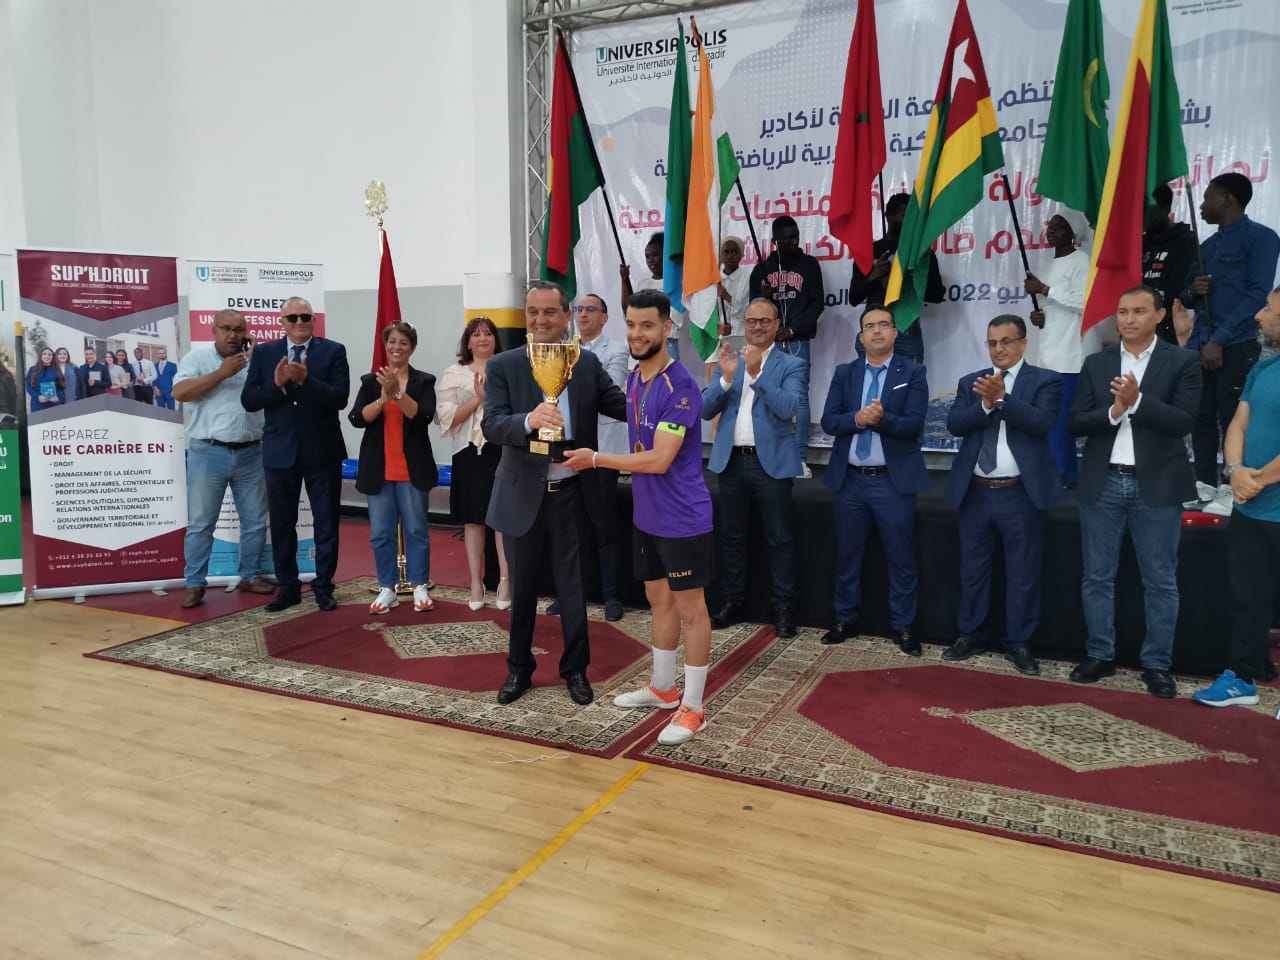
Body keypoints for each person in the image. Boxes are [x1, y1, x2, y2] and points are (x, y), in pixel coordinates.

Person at [562, 288, 716, 746]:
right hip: (647, 514)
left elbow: (659, 459)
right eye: (630, 324)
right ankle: (663, 688)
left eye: (647, 325)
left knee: (692, 611)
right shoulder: (633, 380)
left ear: (667, 329)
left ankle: (693, 708)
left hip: (683, 517)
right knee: (658, 599)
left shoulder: (680, 385)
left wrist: (595, 459)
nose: (637, 333)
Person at [481, 281, 627, 706]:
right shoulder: (504, 365)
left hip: (571, 494)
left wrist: (671, 390)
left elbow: (622, 404)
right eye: (532, 312)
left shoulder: (585, 363)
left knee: (572, 591)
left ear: (567, 316)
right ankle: (518, 670)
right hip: (522, 495)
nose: (540, 320)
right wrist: (529, 420)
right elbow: (492, 424)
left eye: (549, 312)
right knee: (522, 591)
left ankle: (576, 672)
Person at [1068, 286, 1201, 698]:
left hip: (1156, 485)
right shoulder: (1097, 362)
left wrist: (1138, 401)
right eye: (1122, 311)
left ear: (1159, 315)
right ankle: (1099, 654)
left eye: (1139, 311)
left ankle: (1157, 663)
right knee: (1096, 576)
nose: (1128, 319)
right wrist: (1114, 411)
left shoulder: (1182, 361)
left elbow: (1183, 421)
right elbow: (1077, 422)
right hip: (1103, 480)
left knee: (1160, 580)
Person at [941, 315, 1063, 675]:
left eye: (1007, 341)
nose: (999, 349)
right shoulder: (972, 383)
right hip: (976, 493)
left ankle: (1020, 643)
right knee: (972, 571)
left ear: (1024, 343)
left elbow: (1042, 422)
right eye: (992, 343)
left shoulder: (1045, 380)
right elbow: (954, 425)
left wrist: (1003, 400)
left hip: (1020, 494)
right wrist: (983, 404)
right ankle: (970, 634)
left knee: (1023, 573)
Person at [819, 306, 929, 654]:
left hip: (891, 483)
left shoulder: (912, 372)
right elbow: (830, 422)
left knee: (902, 558)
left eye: (884, 325)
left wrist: (880, 420)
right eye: (869, 326)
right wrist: (859, 418)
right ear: (861, 336)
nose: (877, 331)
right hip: (850, 481)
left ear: (895, 333)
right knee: (847, 556)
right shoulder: (845, 373)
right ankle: (844, 618)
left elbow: (913, 424)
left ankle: (903, 626)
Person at [1193, 288, 1280, 707]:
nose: (1259, 316)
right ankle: (1243, 677)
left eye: (1268, 308)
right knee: (1248, 596)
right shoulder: (1263, 369)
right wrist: (1235, 471)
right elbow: (1238, 425)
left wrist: (1258, 478)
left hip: (1266, 497)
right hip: (1251, 506)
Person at [702, 297, 804, 637]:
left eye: (764, 321)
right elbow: (704, 409)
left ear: (777, 325)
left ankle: (784, 608)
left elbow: (788, 406)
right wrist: (726, 380)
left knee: (780, 539)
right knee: (731, 538)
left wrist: (758, 374)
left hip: (770, 463)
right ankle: (733, 603)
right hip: (731, 461)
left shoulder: (792, 363)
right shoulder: (729, 360)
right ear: (744, 325)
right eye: (751, 321)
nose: (757, 327)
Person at [1179, 172, 1280, 516]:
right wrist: (1194, 291)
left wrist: (1219, 339)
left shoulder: (1262, 238)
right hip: (1199, 343)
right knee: (1200, 416)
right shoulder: (1206, 247)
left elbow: (1257, 294)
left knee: (1231, 414)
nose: (1203, 205)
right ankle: (1203, 482)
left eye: (1208, 197)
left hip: (1235, 343)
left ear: (1229, 199)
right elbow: (1184, 295)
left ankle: (1227, 486)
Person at [241, 297, 350, 613]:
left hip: (323, 450)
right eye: (293, 318)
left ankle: (323, 587)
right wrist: (276, 385)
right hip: (280, 452)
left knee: (326, 523)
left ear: (314, 320)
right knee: (282, 523)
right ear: (282, 321)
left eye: (305, 317)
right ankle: (288, 587)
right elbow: (250, 400)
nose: (300, 323)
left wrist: (305, 380)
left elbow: (339, 398)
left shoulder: (333, 351)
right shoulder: (264, 354)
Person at [171, 309, 274, 608]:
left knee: (255, 522)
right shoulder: (196, 359)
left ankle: (250, 575)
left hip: (252, 452)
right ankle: (194, 583)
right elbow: (181, 393)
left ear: (246, 332)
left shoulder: (256, 361)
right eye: (226, 328)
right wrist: (222, 373)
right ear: (213, 331)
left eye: (238, 329)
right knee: (201, 523)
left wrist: (255, 360)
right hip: (208, 451)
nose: (232, 335)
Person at [348, 321, 437, 616]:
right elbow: (357, 419)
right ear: (385, 346)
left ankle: (420, 585)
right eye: (392, 342)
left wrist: (398, 393)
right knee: (381, 533)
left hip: (411, 470)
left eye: (403, 343)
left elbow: (422, 417)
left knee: (416, 529)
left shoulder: (424, 381)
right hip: (379, 470)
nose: (397, 347)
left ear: (412, 348)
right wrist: (384, 397)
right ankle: (387, 588)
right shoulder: (369, 381)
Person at [435, 316, 511, 611]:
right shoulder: (454, 373)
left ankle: (505, 579)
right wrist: (479, 399)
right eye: (476, 334)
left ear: (495, 339)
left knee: (503, 519)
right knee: (474, 520)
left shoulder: (506, 369)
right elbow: (446, 419)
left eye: (488, 333)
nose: (483, 338)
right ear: (468, 341)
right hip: (468, 453)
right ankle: (475, 581)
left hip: (502, 450)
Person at [1023, 209, 1101, 487]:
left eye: (1059, 226)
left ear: (1073, 233)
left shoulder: (1082, 261)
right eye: (1050, 225)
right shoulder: (1048, 263)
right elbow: (1053, 308)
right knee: (1048, 418)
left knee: (1060, 420)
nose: (1051, 230)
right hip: (1047, 353)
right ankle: (1051, 473)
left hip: (1070, 355)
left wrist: (1044, 290)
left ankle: (1063, 476)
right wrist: (1039, 316)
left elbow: (1084, 303)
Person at [749, 215, 825, 477]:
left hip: (797, 341)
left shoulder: (809, 265)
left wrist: (792, 329)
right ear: (774, 241)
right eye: (786, 238)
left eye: (795, 236)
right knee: (765, 398)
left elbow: (817, 303)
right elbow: (752, 308)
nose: (792, 242)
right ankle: (768, 456)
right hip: (767, 346)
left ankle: (799, 458)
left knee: (799, 400)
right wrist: (763, 297)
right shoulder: (762, 269)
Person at [572, 293, 629, 622]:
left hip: (602, 451)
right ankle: (574, 594)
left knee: (604, 526)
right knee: (574, 528)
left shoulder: (617, 350)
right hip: (569, 451)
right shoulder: (565, 349)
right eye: (579, 309)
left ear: (605, 318)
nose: (583, 315)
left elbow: (608, 389)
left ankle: (611, 595)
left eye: (590, 309)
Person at [848, 192, 944, 363]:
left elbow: (937, 295)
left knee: (908, 389)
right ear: (889, 216)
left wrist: (913, 278)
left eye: (913, 218)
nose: (909, 222)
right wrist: (874, 276)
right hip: (874, 331)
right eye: (904, 216)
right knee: (871, 389)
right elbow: (854, 298)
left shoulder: (922, 255)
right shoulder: (869, 252)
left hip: (907, 331)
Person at [1142, 184, 1199, 345]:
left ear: (1166, 209)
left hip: (1169, 329)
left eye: (1149, 214)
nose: (1144, 220)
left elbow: (1179, 289)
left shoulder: (1186, 241)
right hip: (1139, 326)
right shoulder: (1140, 243)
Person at [620, 231, 687, 361]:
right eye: (647, 256)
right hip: (641, 344)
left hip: (666, 344)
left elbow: (675, 318)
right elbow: (627, 310)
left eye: (656, 255)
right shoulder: (641, 284)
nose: (651, 260)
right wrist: (624, 280)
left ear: (666, 255)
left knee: (665, 381)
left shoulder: (676, 285)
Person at [717, 235, 750, 354]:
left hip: (742, 336)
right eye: (726, 252)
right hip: (720, 338)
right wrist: (717, 329)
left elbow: (746, 311)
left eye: (734, 252)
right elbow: (709, 313)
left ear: (741, 255)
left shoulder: (747, 277)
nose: (730, 256)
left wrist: (726, 296)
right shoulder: (715, 279)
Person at [26, 347, 65, 412]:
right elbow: (28, 386)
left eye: (49, 355)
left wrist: (58, 397)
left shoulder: (57, 370)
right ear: (41, 356)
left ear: (53, 357)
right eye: (44, 354)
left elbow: (61, 387)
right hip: (37, 404)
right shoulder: (32, 369)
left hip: (54, 404)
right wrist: (37, 396)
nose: (47, 356)